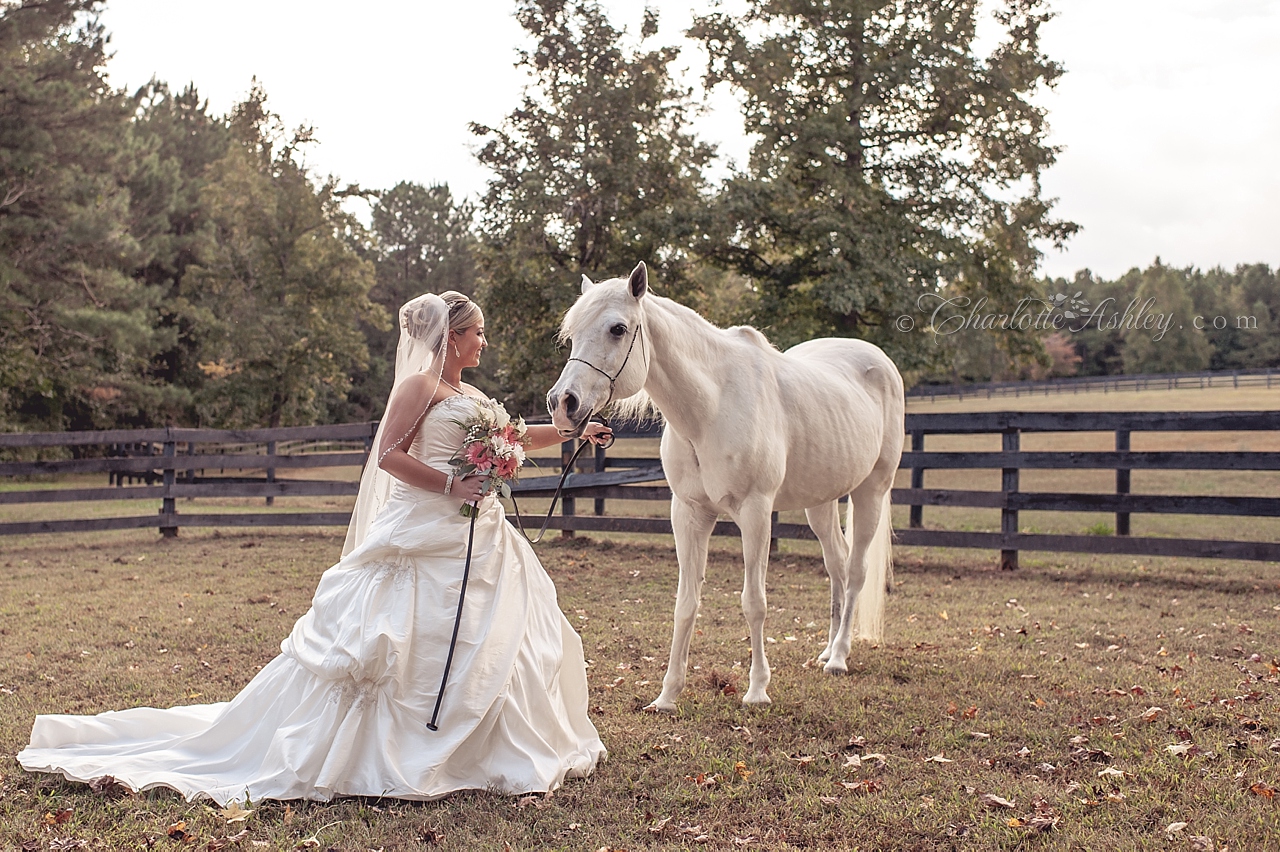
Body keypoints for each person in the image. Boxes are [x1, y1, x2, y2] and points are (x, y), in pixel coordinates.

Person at [18, 292, 609, 804]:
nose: (483, 341)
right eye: (477, 332)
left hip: (478, 534)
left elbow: (511, 436)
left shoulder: (467, 391)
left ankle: (481, 739)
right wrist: (454, 484)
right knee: (392, 640)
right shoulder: (418, 388)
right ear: (452, 337)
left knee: (502, 636)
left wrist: (573, 431)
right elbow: (390, 457)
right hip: (422, 529)